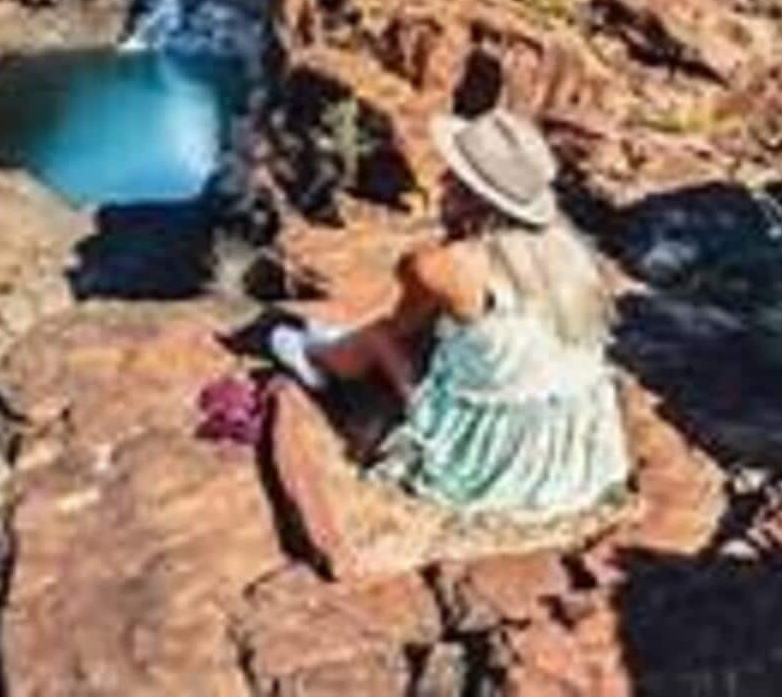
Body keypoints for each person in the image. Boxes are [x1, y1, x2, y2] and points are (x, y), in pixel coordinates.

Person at [264, 107, 630, 579]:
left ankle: (316, 359)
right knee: (455, 333)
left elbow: (399, 327)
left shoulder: (442, 265)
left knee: (380, 337)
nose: (440, 179)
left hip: (494, 463)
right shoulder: (570, 253)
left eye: (454, 177)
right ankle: (328, 350)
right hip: (578, 453)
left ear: (475, 196)